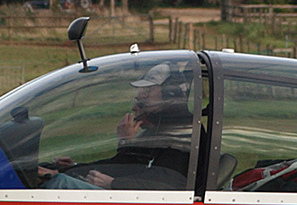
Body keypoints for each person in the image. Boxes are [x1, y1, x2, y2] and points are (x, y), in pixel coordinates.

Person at [40, 62, 194, 189]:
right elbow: (130, 166)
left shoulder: (184, 133)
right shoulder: (160, 131)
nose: (142, 96)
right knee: (61, 178)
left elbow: (168, 184)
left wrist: (113, 183)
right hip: (137, 201)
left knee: (60, 183)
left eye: (148, 89)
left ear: (170, 93)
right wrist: (74, 168)